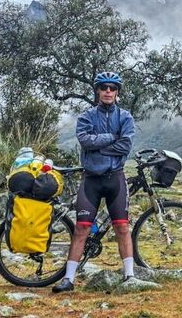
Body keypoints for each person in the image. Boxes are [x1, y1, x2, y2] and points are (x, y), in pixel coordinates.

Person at [52, 71, 136, 293]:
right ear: (98, 91)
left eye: (112, 88)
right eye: (104, 87)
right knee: (81, 228)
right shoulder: (87, 116)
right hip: (91, 179)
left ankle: (130, 276)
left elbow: (125, 146)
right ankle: (68, 279)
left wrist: (99, 145)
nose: (108, 91)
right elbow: (85, 142)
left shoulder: (125, 117)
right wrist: (110, 138)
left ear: (117, 92)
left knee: (122, 227)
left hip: (115, 177)